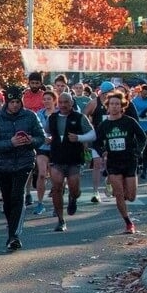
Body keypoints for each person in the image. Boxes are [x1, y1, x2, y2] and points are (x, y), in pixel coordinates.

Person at [0, 85, 46, 251]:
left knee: (18, 196)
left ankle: (14, 236)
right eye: (12, 102)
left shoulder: (30, 116)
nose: (15, 105)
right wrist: (9, 143)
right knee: (8, 198)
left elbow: (41, 137)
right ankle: (12, 230)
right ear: (6, 102)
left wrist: (31, 140)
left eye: (18, 101)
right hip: (2, 164)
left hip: (24, 162)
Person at [96, 90, 147, 234]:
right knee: (118, 194)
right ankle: (128, 223)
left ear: (122, 106)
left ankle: (122, 190)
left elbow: (142, 137)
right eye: (111, 104)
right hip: (113, 162)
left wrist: (138, 151)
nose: (114, 107)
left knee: (131, 197)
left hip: (130, 160)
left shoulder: (129, 122)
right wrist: (102, 151)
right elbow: (97, 143)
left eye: (117, 104)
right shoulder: (104, 125)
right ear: (108, 106)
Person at [45, 91, 95, 232]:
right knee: (57, 187)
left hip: (74, 158)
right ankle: (61, 220)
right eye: (60, 102)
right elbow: (46, 132)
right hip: (57, 158)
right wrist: (48, 138)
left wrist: (79, 138)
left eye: (66, 102)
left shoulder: (79, 117)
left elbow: (92, 134)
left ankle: (73, 198)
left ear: (72, 103)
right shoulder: (52, 118)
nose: (63, 105)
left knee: (74, 187)